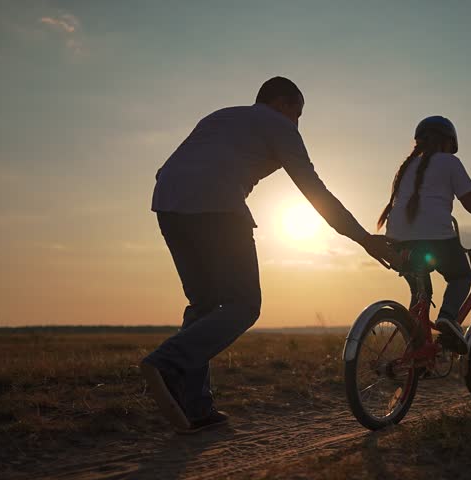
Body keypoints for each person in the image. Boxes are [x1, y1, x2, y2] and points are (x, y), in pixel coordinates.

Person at [141, 77, 396, 433]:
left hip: (167, 203)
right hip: (218, 207)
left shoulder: (220, 116)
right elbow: (314, 192)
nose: (297, 122)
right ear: (282, 103)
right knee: (243, 305)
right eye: (298, 113)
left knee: (203, 304)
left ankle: (195, 407)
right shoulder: (280, 126)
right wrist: (364, 238)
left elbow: (171, 167)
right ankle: (169, 362)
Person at [378, 116, 471, 354]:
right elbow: (470, 201)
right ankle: (448, 319)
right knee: (461, 276)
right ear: (449, 142)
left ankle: (416, 355)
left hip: (397, 243)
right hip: (435, 240)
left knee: (420, 294)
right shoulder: (449, 162)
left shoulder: (406, 167)